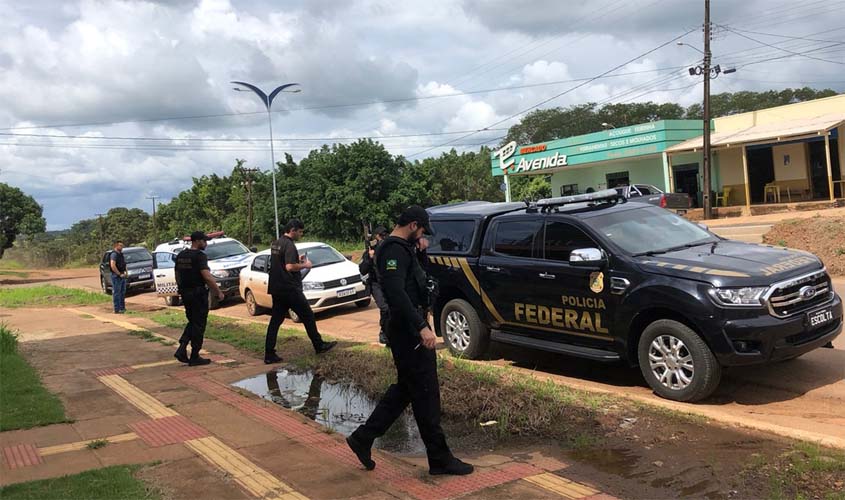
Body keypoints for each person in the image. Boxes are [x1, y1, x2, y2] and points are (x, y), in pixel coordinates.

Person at [346, 206, 473, 477]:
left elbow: (418, 283)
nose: (423, 235)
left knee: (406, 389)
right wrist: (421, 327)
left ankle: (363, 438)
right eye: (422, 230)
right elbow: (394, 292)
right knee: (426, 393)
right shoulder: (392, 250)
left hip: (408, 327)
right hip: (407, 330)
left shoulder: (404, 249)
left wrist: (422, 252)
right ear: (413, 225)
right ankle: (439, 459)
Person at [264, 219, 337, 364]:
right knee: (308, 316)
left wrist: (298, 260)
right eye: (300, 231)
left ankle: (269, 353)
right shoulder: (290, 245)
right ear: (293, 230)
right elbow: (289, 267)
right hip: (290, 288)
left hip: (277, 288)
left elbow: (281, 262)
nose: (301, 234)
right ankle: (319, 345)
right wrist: (305, 265)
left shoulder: (276, 243)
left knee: (275, 321)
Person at [173, 231, 224, 366]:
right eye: (204, 241)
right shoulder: (200, 256)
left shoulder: (181, 255)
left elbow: (177, 273)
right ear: (197, 241)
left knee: (192, 321)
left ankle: (182, 347)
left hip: (186, 293)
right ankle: (195, 355)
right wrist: (218, 292)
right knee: (199, 324)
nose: (206, 244)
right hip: (198, 293)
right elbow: (206, 276)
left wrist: (180, 288)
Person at [359, 225, 390, 345]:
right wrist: (370, 258)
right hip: (376, 284)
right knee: (384, 308)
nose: (384, 238)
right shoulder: (370, 251)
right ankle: (383, 332)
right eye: (382, 235)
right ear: (376, 237)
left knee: (392, 309)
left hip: (388, 283)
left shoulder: (389, 249)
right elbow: (363, 270)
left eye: (385, 235)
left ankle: (390, 331)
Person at [109, 241, 128, 314]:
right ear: (116, 246)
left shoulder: (121, 254)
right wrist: (119, 274)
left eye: (122, 245)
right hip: (116, 276)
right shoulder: (114, 254)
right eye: (120, 245)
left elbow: (124, 264)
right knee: (117, 293)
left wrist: (126, 272)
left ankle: (122, 308)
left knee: (122, 292)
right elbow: (112, 265)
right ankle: (116, 309)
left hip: (122, 275)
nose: (122, 247)